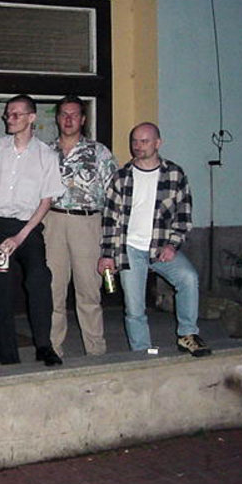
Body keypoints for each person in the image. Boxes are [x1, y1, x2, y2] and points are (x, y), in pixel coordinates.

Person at [98, 122, 211, 357]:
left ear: (158, 143)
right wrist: (108, 255)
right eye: (135, 141)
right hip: (129, 249)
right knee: (134, 308)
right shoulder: (121, 177)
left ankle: (188, 335)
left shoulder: (175, 174)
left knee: (188, 278)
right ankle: (143, 352)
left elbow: (183, 215)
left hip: (160, 246)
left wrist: (172, 244)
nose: (138, 146)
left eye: (144, 141)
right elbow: (110, 219)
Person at [0, 94, 65, 367]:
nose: (9, 119)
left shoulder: (46, 155)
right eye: (7, 114)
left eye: (16, 114)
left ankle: (44, 345)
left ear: (31, 118)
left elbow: (46, 201)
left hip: (27, 228)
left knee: (39, 279)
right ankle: (8, 356)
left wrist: (19, 237)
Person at [42, 95, 116, 357]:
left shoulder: (99, 152)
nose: (69, 119)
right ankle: (52, 348)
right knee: (52, 290)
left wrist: (111, 238)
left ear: (83, 119)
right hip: (51, 221)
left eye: (74, 114)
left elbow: (114, 196)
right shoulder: (45, 151)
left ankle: (95, 350)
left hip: (87, 223)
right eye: (64, 114)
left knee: (88, 291)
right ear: (57, 118)